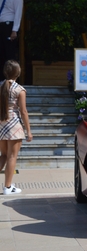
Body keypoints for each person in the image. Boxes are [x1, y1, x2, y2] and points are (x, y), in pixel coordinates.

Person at [0, 60, 32, 195]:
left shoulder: (1, 86)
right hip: (14, 125)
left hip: (1, 124)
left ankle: (8, 186)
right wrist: (29, 131)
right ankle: (7, 187)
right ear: (18, 73)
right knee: (12, 156)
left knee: (3, 155)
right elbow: (23, 112)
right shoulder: (20, 89)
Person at [0, 0, 23, 65]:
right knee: (1, 53)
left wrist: (14, 30)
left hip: (8, 27)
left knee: (9, 53)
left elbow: (18, 14)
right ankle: (1, 77)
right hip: (1, 26)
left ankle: (10, 76)